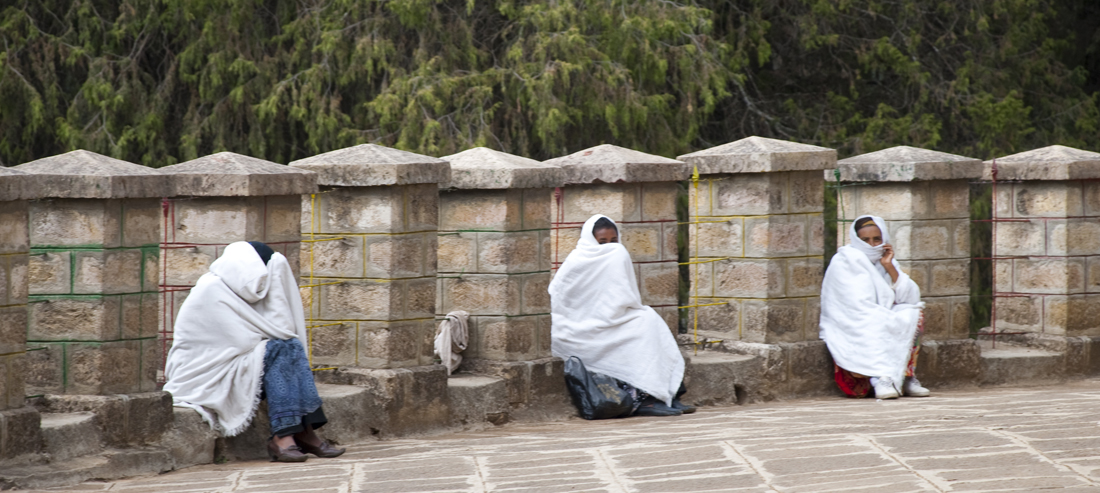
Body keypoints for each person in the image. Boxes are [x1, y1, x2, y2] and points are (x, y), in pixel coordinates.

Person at [163, 241, 345, 462]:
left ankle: (300, 433)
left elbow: (279, 329)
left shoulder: (250, 291)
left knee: (289, 346)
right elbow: (240, 341)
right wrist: (270, 339)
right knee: (280, 348)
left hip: (243, 360)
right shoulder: (211, 289)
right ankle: (286, 436)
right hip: (209, 368)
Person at [549, 214, 694, 416]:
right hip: (578, 329)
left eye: (613, 241)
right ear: (590, 241)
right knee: (639, 330)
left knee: (648, 321)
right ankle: (646, 400)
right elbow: (559, 299)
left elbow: (624, 299)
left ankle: (670, 394)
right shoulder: (576, 262)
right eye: (602, 242)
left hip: (612, 321)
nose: (610, 246)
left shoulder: (617, 254)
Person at [820, 215, 929, 400]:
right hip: (853, 316)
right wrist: (882, 312)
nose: (872, 245)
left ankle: (905, 376)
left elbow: (911, 298)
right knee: (875, 322)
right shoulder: (844, 260)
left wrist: (889, 267)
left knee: (913, 314)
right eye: (865, 240)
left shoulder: (886, 260)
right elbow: (851, 303)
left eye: (876, 239)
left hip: (882, 311)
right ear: (856, 240)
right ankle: (881, 378)